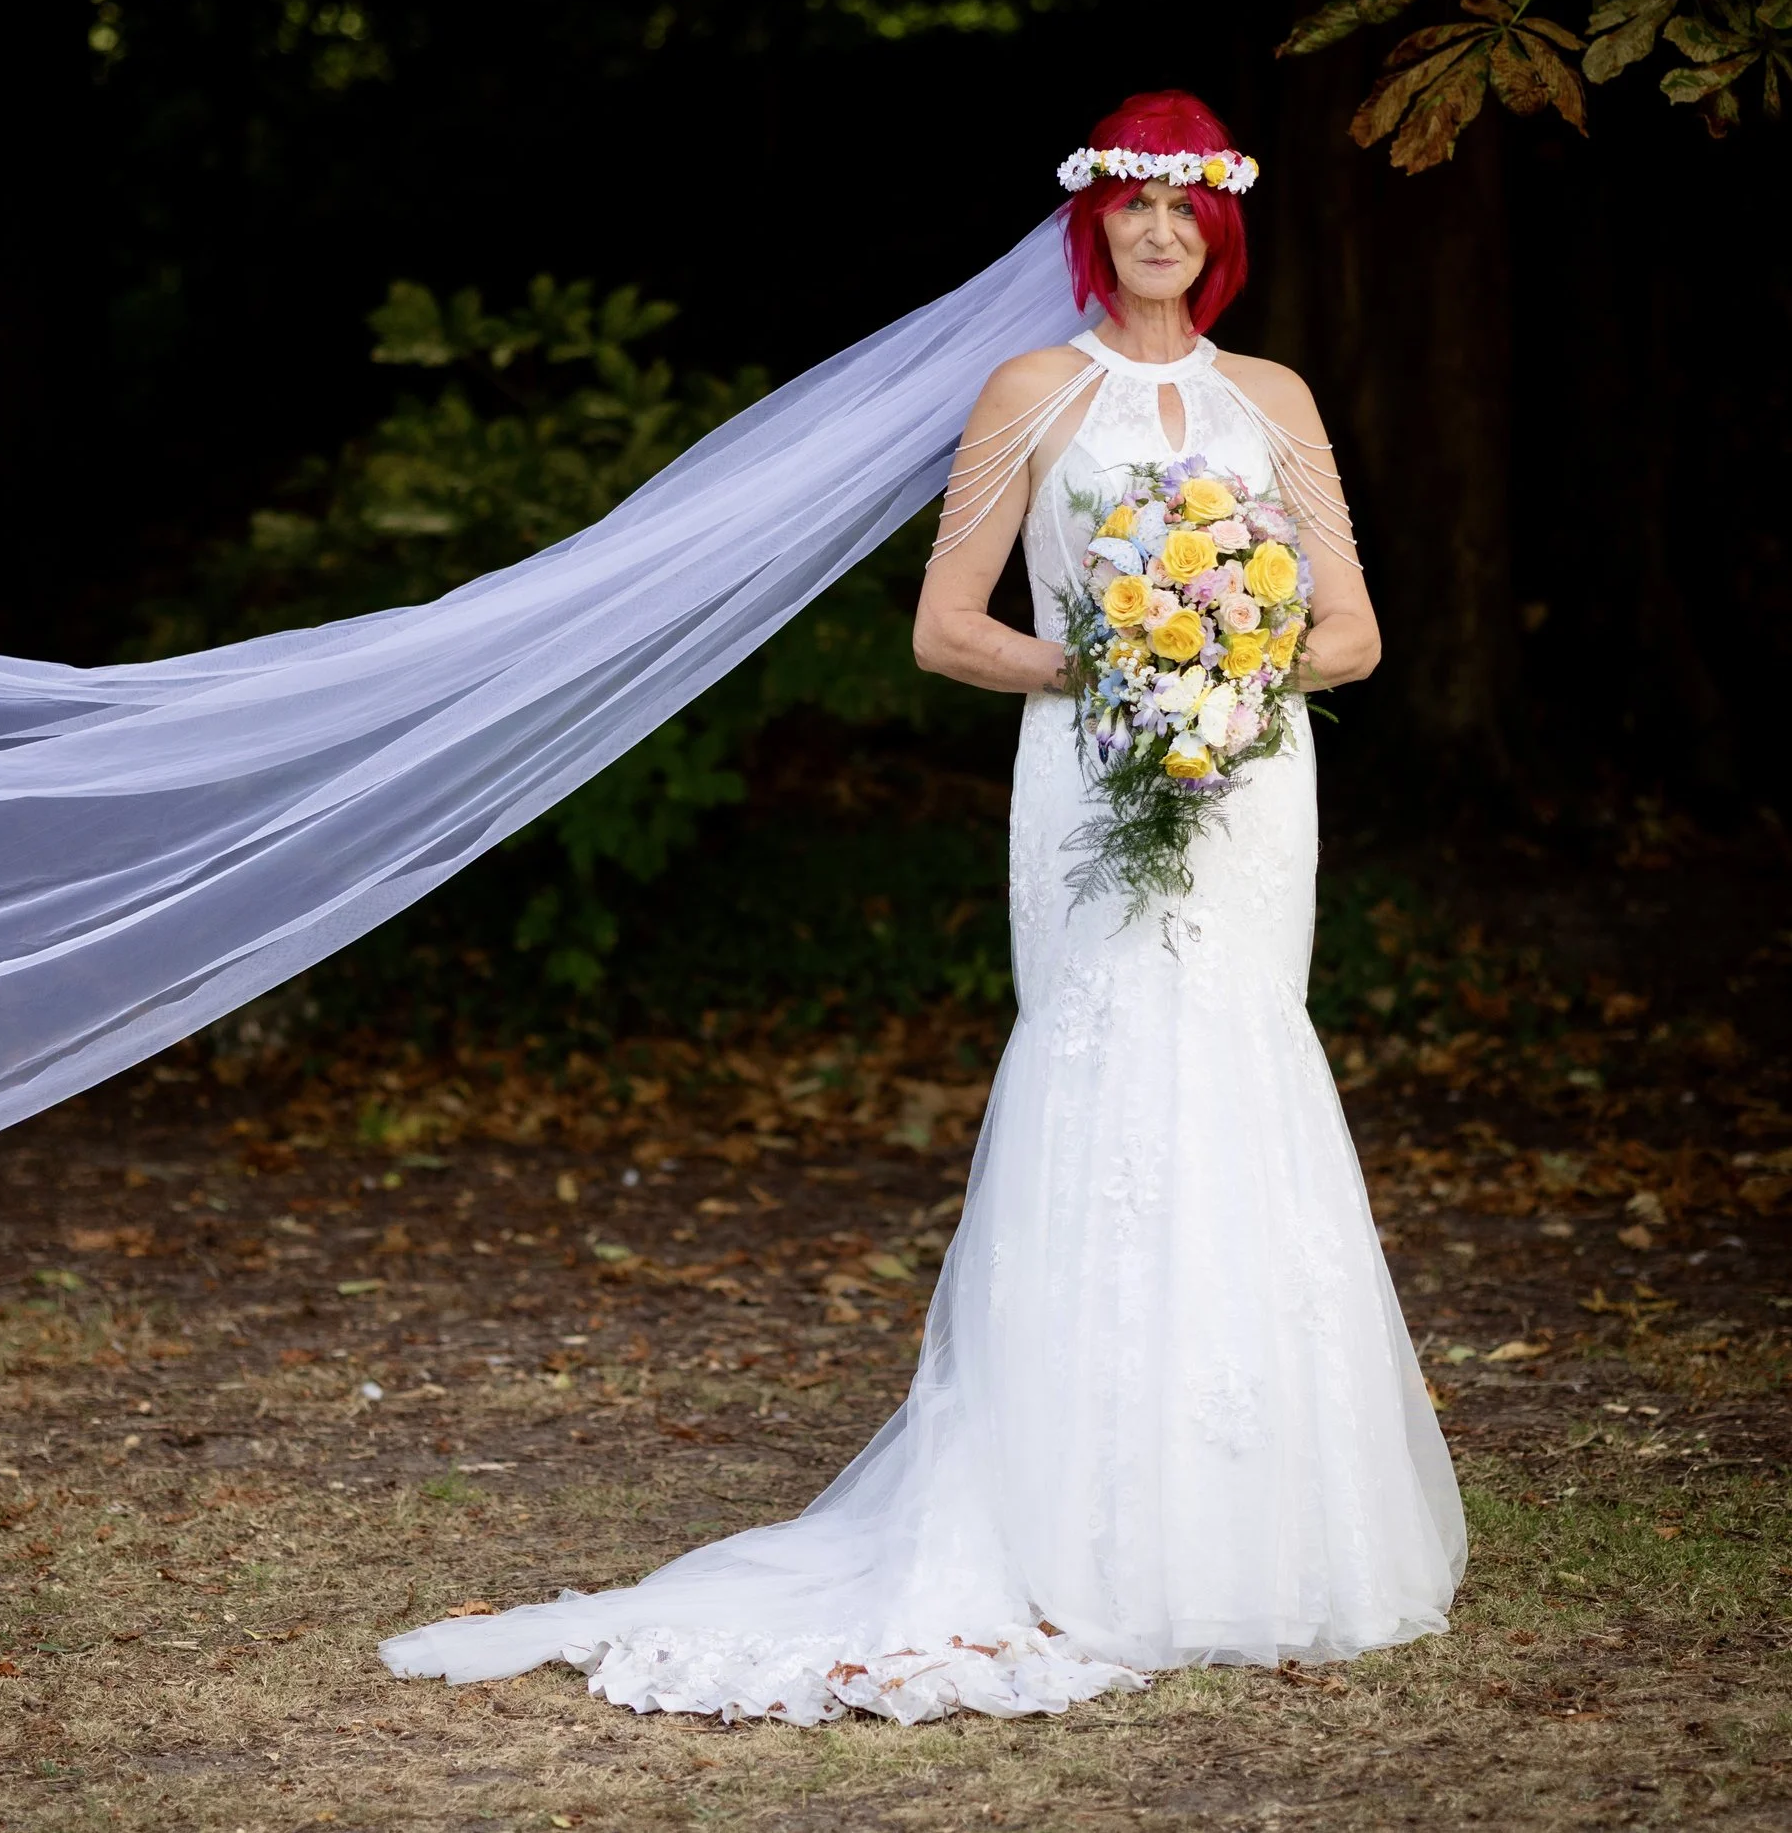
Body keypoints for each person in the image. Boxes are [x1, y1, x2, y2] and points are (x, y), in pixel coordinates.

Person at [378, 91, 1465, 1724]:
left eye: (1185, 208)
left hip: (1246, 788)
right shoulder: (1030, 392)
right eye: (1133, 205)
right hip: (1092, 778)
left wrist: (1232, 676)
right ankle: (1071, 1520)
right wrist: (1111, 672)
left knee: (1242, 1060)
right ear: (1091, 222)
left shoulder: (1277, 398)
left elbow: (1356, 631)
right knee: (1110, 1063)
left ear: (1221, 229)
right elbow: (948, 626)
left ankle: (1261, 1520)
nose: (1158, 231)